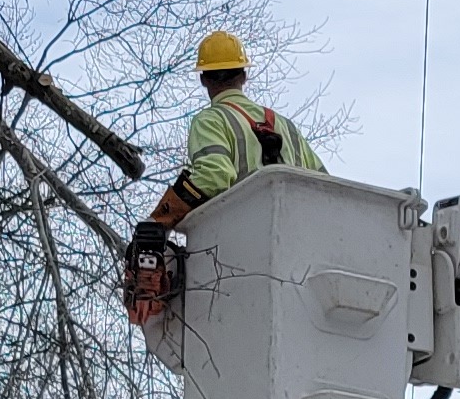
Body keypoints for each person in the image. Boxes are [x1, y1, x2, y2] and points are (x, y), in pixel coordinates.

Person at [125, 31, 323, 323]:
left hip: (240, 257)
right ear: (244, 75)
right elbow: (325, 188)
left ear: (204, 79)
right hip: (298, 257)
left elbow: (215, 176)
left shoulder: (211, 120)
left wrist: (160, 221)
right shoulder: (286, 127)